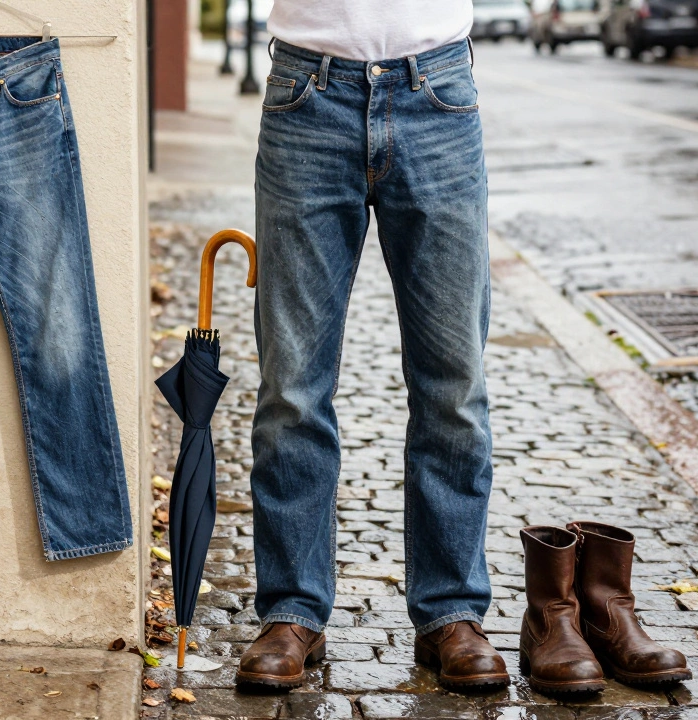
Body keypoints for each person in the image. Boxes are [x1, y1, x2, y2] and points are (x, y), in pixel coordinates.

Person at [238, 1, 508, 691]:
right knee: (292, 387)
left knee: (455, 384)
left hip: (437, 94)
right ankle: (292, 610)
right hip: (307, 94)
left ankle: (451, 611)